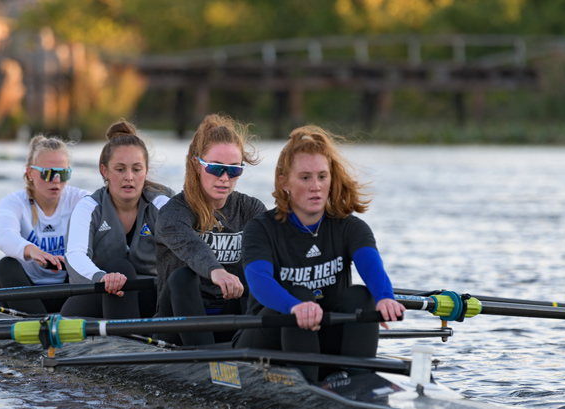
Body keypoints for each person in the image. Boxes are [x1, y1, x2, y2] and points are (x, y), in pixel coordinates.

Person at [235, 125, 405, 379]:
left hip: (322, 336)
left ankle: (360, 382)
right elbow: (259, 282)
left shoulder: (350, 227)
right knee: (301, 296)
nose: (316, 186)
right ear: (285, 183)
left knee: (362, 296)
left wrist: (385, 297)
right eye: (305, 178)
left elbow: (371, 267)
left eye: (322, 177)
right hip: (267, 339)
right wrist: (295, 307)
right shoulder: (260, 229)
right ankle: (309, 389)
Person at [154, 113, 266, 346]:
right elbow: (194, 248)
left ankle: (249, 350)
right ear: (197, 165)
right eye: (216, 169)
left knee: (258, 272)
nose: (225, 178)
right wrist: (217, 271)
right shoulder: (173, 213)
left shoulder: (251, 209)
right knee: (182, 277)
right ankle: (208, 359)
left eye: (234, 170)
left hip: (229, 318)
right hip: (175, 324)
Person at [63, 120, 173, 319]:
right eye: (120, 169)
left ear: (146, 171)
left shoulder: (163, 205)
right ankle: (123, 343)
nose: (129, 177)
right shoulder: (88, 208)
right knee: (119, 268)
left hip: (152, 298)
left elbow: (190, 248)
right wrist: (102, 277)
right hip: (98, 296)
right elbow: (74, 256)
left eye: (136, 169)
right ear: (105, 171)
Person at [0, 135, 90, 315]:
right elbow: (4, 236)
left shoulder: (81, 199)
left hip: (69, 290)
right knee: (5, 266)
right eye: (48, 173)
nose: (56, 180)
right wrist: (32, 251)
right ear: (30, 173)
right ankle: (37, 326)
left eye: (63, 173)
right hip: (26, 291)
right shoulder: (13, 203)